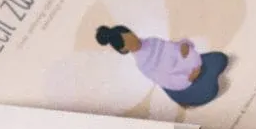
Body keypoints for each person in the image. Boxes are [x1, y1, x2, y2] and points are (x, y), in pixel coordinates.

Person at [95, 24, 228, 107]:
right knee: (211, 90)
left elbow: (173, 47)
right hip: (180, 84)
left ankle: (202, 74)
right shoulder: (143, 64)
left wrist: (184, 45)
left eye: (133, 36)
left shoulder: (151, 41)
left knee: (220, 59)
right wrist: (189, 78)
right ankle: (194, 90)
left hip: (187, 64)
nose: (136, 41)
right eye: (130, 43)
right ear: (124, 50)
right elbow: (166, 80)